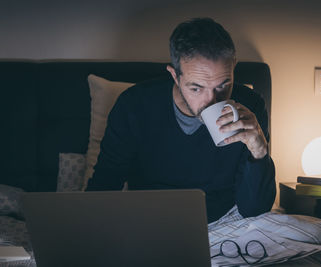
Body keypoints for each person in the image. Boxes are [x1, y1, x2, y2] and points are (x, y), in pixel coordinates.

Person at [86, 17, 276, 223]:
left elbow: (255, 211)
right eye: (196, 88)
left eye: (223, 85)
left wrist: (259, 152)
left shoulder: (250, 107)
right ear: (175, 76)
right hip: (150, 220)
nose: (211, 101)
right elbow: (104, 185)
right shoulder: (135, 105)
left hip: (223, 223)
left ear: (233, 68)